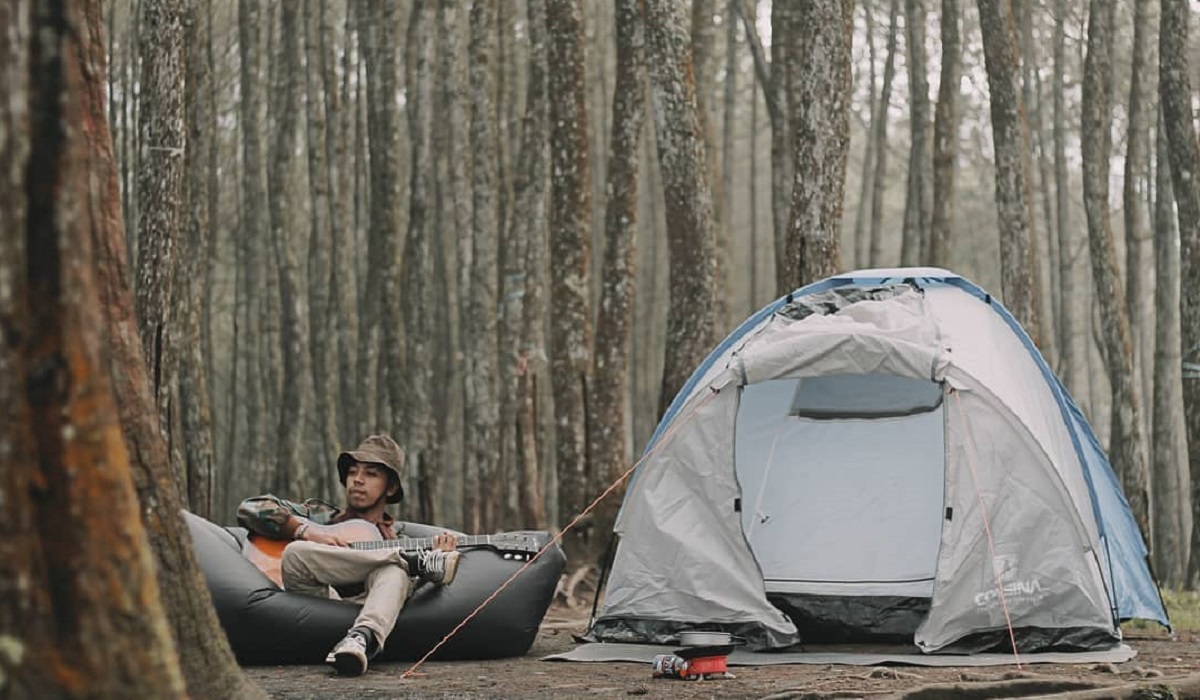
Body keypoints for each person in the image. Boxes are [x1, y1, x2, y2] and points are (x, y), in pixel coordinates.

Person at [237, 434, 460, 677]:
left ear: (391, 487)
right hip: (312, 598)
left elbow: (411, 599)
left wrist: (437, 559)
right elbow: (250, 508)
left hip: (365, 611)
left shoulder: (399, 540)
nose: (358, 480)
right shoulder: (320, 516)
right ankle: (410, 563)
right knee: (294, 552)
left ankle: (360, 640)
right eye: (353, 472)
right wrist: (305, 531)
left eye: (371, 474)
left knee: (396, 572)